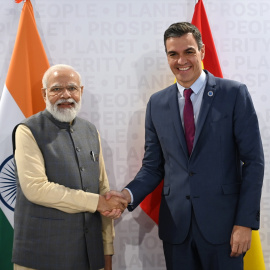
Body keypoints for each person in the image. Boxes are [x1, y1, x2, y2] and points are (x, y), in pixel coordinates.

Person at [106, 22, 264, 269]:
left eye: (189, 51)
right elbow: (153, 167)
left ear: (202, 52)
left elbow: (254, 161)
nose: (182, 60)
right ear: (167, 57)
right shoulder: (156, 104)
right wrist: (127, 194)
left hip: (225, 230)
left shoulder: (233, 94)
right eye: (173, 54)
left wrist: (245, 223)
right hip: (177, 231)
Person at [12, 64, 127, 270]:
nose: (66, 95)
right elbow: (36, 189)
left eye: (72, 88)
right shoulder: (27, 131)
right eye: (57, 89)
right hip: (41, 257)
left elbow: (103, 190)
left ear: (80, 92)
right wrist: (98, 202)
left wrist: (107, 249)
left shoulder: (91, 131)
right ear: (44, 94)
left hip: (90, 258)